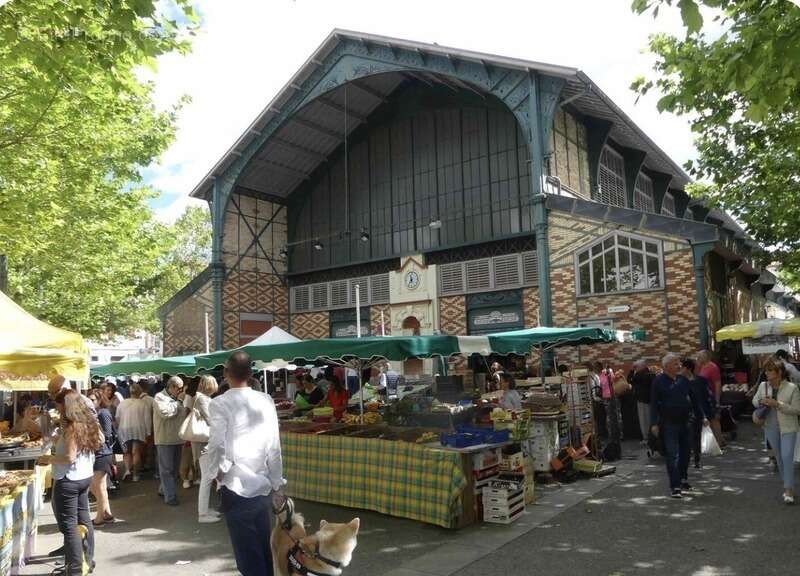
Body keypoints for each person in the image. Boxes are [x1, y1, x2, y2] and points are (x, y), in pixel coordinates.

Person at [207, 351, 285, 576]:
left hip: (235, 483)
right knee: (262, 546)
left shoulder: (220, 403)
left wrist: (217, 472)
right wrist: (277, 482)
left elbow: (216, 445)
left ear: (225, 374)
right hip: (261, 483)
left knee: (247, 553)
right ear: (251, 374)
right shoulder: (265, 400)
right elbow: (274, 447)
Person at [39, 389, 101, 575]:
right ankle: (87, 561)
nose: (58, 411)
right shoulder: (88, 423)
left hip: (70, 480)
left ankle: (75, 569)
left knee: (70, 525)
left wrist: (48, 459)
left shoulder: (74, 426)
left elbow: (70, 457)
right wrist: (60, 439)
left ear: (68, 407)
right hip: (83, 477)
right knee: (83, 520)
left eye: (60, 407)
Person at [651, 353, 708, 498]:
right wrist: (654, 424)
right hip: (669, 423)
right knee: (672, 454)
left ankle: (683, 478)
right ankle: (675, 486)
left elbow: (694, 400)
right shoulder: (658, 381)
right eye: (676, 363)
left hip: (685, 422)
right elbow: (654, 404)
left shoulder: (683, 380)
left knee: (686, 452)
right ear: (666, 366)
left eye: (679, 363)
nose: (679, 366)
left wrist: (703, 416)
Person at [752, 356, 800, 504]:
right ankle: (787, 484)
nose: (767, 373)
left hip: (788, 428)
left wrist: (778, 404)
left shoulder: (792, 388)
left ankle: (788, 490)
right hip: (770, 427)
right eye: (766, 370)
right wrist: (761, 401)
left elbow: (797, 410)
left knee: (786, 456)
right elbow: (754, 401)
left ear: (779, 372)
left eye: (770, 370)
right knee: (779, 457)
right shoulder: (763, 386)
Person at [153, 376, 187, 506]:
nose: (180, 391)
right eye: (179, 388)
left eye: (181, 388)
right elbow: (165, 413)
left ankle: (163, 489)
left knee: (173, 469)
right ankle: (170, 496)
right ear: (171, 387)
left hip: (178, 438)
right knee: (167, 469)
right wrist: (178, 402)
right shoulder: (159, 397)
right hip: (165, 439)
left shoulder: (177, 398)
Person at [86, 390, 115, 527]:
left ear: (100, 400)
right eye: (89, 399)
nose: (90, 402)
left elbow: (108, 434)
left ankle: (99, 518)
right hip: (98, 453)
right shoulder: (94, 414)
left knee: (98, 486)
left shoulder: (102, 413)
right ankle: (107, 513)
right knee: (98, 486)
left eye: (93, 399)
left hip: (102, 454)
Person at [193, 375, 219, 523]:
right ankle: (202, 513)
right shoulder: (202, 399)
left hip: (204, 442)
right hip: (204, 442)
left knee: (207, 476)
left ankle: (205, 510)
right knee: (207, 477)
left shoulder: (202, 398)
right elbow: (211, 420)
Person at [680, 358, 713, 470]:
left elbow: (705, 397)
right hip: (684, 414)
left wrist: (704, 415)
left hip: (698, 413)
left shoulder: (701, 381)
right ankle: (686, 458)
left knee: (696, 437)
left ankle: (697, 459)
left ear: (688, 368)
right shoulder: (679, 381)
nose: (680, 369)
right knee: (686, 437)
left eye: (682, 367)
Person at [115, 382, 152, 482]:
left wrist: (119, 428)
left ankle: (127, 470)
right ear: (139, 392)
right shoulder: (142, 403)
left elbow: (117, 417)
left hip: (124, 428)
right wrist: (148, 432)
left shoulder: (122, 403)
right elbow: (147, 419)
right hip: (138, 429)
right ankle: (136, 475)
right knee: (136, 452)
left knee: (127, 452)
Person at [697, 350, 725, 448]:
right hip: (703, 397)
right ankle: (714, 441)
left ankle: (720, 441)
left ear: (706, 357)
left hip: (711, 396)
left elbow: (717, 383)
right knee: (708, 419)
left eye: (700, 356)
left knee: (714, 419)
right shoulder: (702, 367)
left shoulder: (712, 367)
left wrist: (717, 399)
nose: (698, 358)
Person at [180, 377, 200, 489]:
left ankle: (188, 478)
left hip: (191, 429)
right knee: (192, 454)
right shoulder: (194, 397)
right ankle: (191, 477)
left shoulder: (190, 397)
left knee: (190, 454)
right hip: (194, 429)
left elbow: (186, 413)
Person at [629, 360, 654, 443]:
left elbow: (630, 380)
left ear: (642, 367)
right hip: (646, 400)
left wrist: (632, 370)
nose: (636, 369)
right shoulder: (649, 374)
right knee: (646, 419)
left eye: (637, 367)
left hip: (643, 400)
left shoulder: (643, 375)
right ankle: (648, 437)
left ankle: (647, 437)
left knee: (644, 419)